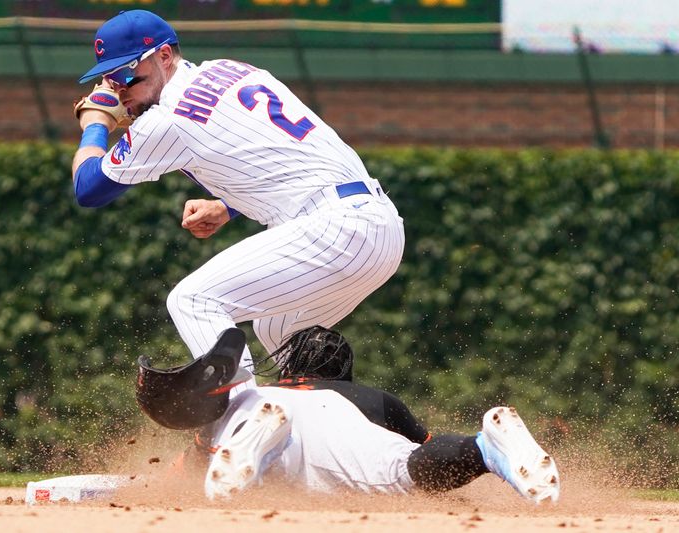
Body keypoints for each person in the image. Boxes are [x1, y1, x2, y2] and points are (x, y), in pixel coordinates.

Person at [71, 10, 405, 376]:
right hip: (376, 226)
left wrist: (95, 124)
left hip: (334, 228)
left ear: (164, 56)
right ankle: (332, 418)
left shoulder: (165, 119)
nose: (118, 87)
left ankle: (242, 419)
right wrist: (227, 207)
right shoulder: (233, 70)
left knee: (194, 301)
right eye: (108, 78)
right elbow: (275, 158)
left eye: (126, 72)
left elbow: (88, 188)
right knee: (277, 330)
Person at [135, 326, 561, 504]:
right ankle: (486, 446)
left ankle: (262, 444)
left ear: (289, 365)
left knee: (226, 455)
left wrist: (163, 482)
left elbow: (187, 468)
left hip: (255, 408)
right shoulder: (370, 398)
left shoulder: (261, 388)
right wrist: (463, 469)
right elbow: (424, 459)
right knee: (403, 470)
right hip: (337, 426)